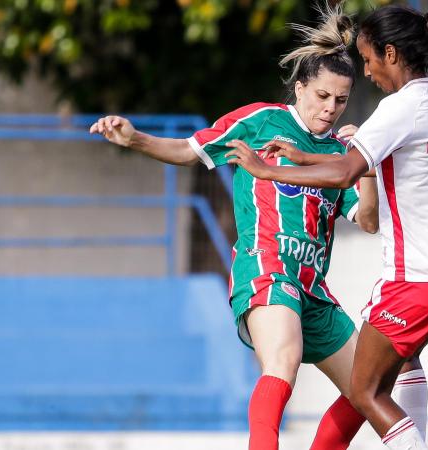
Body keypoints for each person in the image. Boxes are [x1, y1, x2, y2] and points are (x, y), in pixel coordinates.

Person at [90, 6, 389, 449]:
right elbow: (190, 151)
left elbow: (367, 221)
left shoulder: (338, 154)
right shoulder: (261, 120)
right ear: (300, 87)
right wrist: (135, 139)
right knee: (282, 361)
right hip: (266, 268)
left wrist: (365, 162)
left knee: (371, 389)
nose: (329, 109)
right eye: (322, 96)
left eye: (341, 100)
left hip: (313, 287)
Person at [225, 5, 428, 449]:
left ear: (391, 53)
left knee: (365, 390)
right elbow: (352, 161)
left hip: (420, 277)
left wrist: (271, 171)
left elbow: (346, 173)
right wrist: (305, 156)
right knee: (401, 360)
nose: (366, 72)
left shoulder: (399, 107)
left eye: (368, 59)